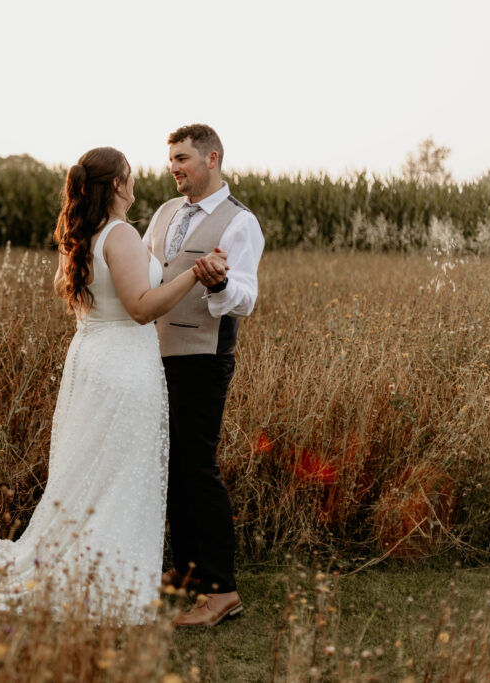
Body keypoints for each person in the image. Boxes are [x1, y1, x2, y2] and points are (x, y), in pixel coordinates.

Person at [0, 146, 226, 624]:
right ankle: (104, 576)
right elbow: (143, 308)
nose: (137, 182)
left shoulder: (80, 234)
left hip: (91, 358)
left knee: (92, 469)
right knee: (120, 471)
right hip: (124, 364)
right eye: (130, 176)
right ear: (118, 184)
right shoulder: (119, 234)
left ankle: (90, 562)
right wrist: (193, 273)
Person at [141, 124, 265, 627]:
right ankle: (189, 570)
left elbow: (246, 298)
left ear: (211, 159)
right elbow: (150, 273)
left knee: (198, 466)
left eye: (183, 159)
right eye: (171, 159)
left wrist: (217, 286)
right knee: (171, 463)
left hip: (202, 356)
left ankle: (221, 591)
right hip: (152, 354)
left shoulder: (241, 223)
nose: (174, 167)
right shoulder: (165, 213)